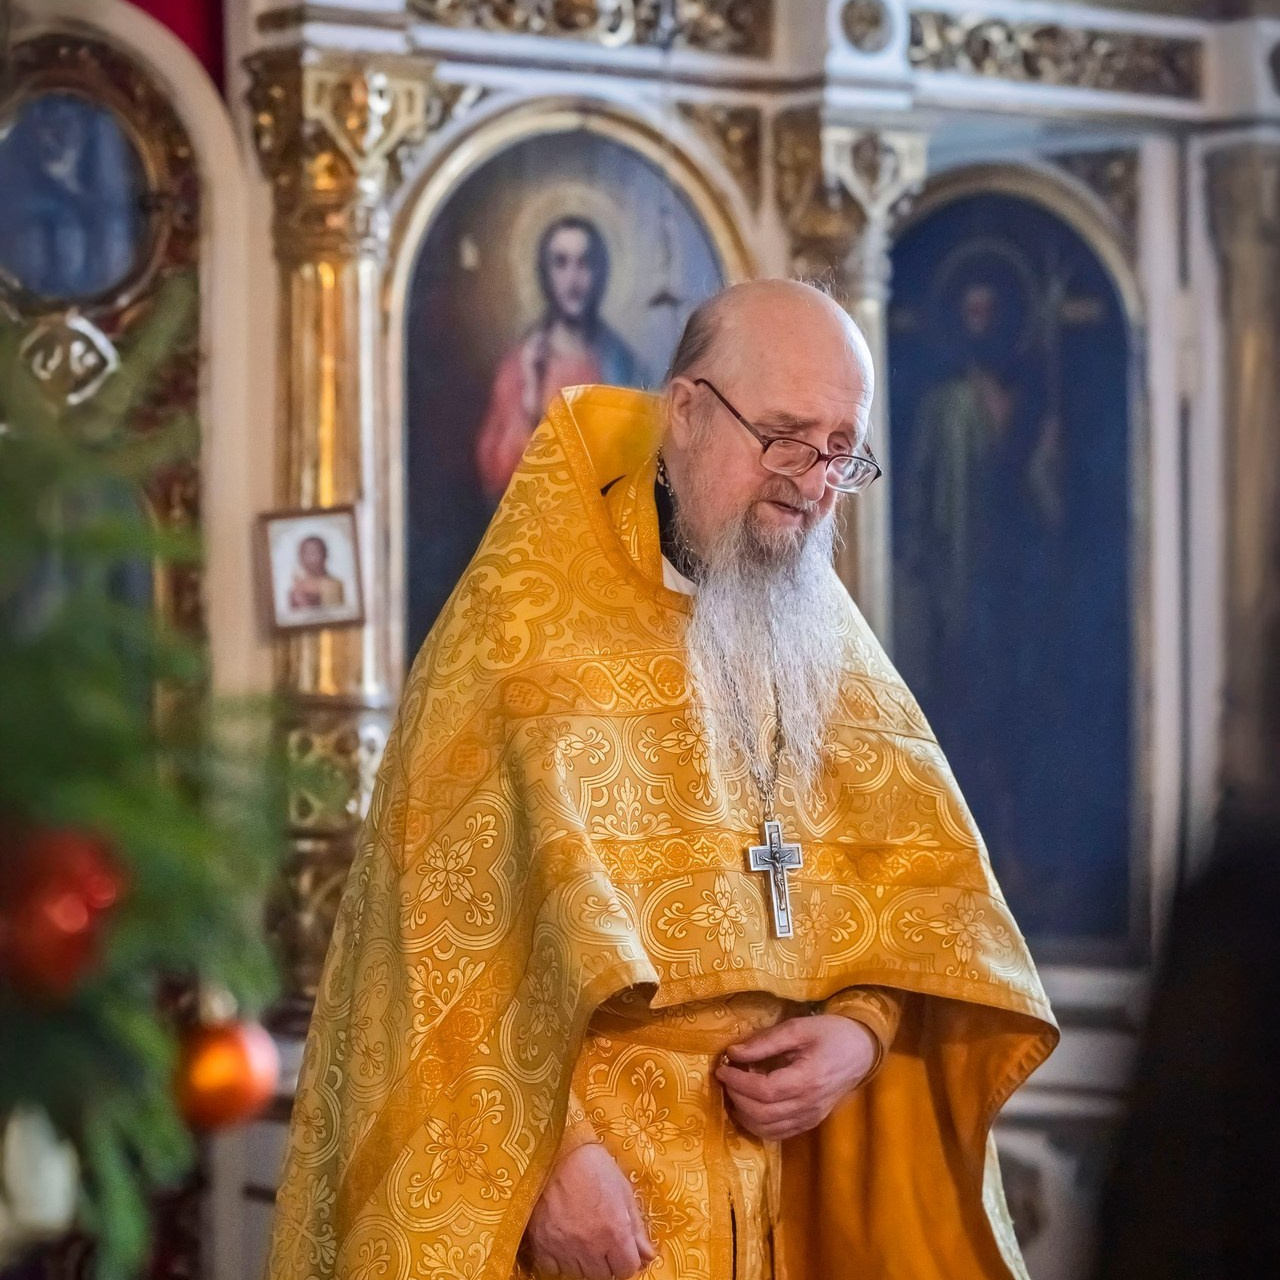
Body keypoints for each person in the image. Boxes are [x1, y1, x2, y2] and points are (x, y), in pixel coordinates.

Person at [267, 280, 1057, 1280]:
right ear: (684, 408)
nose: (810, 480)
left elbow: (921, 898)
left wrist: (860, 1032)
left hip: (781, 1207)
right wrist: (548, 1157)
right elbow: (427, 940)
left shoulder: (820, 639)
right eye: (779, 436)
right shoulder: (522, 631)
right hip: (593, 1216)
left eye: (835, 450)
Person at [474, 214, 644, 498]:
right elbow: (496, 473)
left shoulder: (622, 364)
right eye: (561, 263)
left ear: (598, 273)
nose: (573, 279)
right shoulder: (523, 365)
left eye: (584, 263)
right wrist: (529, 397)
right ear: (546, 273)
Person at [287, 535, 344, 612]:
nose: (313, 559)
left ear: (325, 555)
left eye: (317, 553)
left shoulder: (336, 584)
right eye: (308, 554)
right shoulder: (297, 590)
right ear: (301, 558)